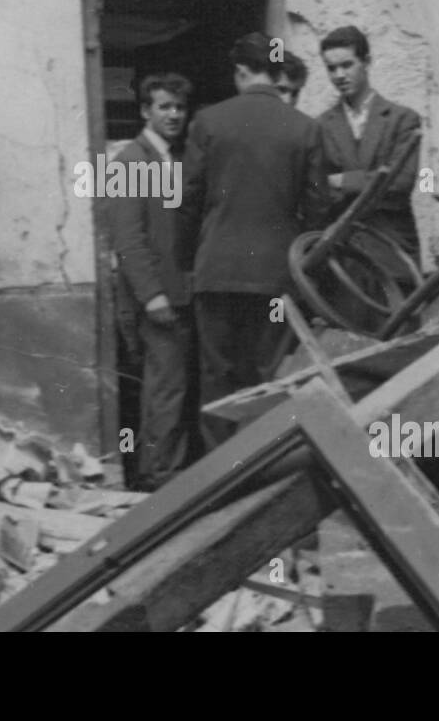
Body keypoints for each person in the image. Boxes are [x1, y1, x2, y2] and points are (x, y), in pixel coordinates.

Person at [177, 33, 331, 447]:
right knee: (271, 375)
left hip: (217, 273)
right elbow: (319, 210)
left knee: (217, 377)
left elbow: (188, 201)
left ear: (241, 72)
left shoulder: (208, 122)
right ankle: (266, 469)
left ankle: (220, 478)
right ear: (276, 72)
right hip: (277, 275)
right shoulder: (305, 128)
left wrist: (188, 260)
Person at [107, 73, 195, 489]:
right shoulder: (131, 161)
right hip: (157, 298)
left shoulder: (170, 159)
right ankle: (159, 475)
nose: (174, 114)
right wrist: (152, 295)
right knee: (165, 389)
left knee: (172, 387)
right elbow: (128, 239)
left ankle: (166, 469)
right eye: (165, 106)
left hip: (179, 292)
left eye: (179, 107)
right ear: (145, 111)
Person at [316, 25, 421, 257]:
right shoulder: (320, 126)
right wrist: (371, 181)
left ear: (366, 61)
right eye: (331, 68)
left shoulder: (402, 119)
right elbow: (317, 190)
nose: (339, 76)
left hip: (392, 250)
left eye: (347, 65)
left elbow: (399, 183)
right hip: (343, 253)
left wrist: (339, 180)